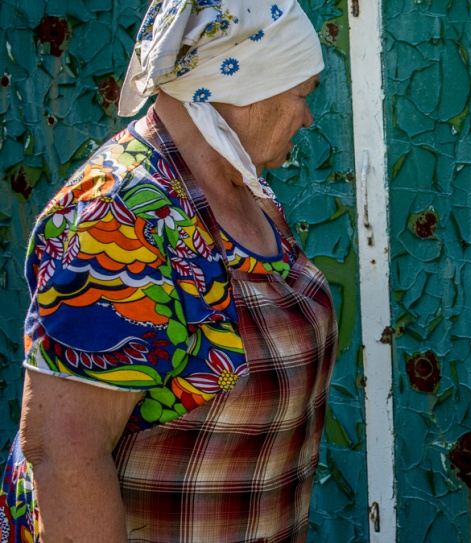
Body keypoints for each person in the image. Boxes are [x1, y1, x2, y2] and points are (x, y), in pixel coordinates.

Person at [0, 0, 338, 540]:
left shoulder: (239, 185)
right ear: (247, 84)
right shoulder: (118, 219)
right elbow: (63, 456)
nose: (308, 118)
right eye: (302, 94)